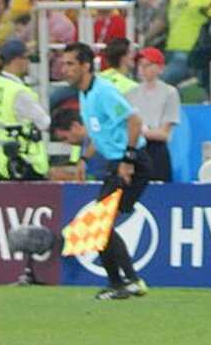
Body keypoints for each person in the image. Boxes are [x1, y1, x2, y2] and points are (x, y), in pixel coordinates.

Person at [60, 42, 150, 300]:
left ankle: (125, 282)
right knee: (102, 223)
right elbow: (99, 134)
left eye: (70, 64)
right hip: (117, 161)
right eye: (63, 64)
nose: (64, 69)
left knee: (100, 222)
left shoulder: (103, 92)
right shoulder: (85, 93)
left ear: (86, 66)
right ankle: (124, 282)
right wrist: (84, 160)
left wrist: (128, 160)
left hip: (132, 162)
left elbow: (135, 121)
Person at [0, 40, 50, 182]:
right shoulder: (17, 92)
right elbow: (45, 122)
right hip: (18, 168)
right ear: (17, 60)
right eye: (27, 58)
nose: (29, 62)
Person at [126, 48, 179, 183]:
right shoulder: (130, 93)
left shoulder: (169, 93)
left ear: (160, 68)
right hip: (136, 147)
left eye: (148, 65)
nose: (143, 69)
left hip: (156, 149)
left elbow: (164, 133)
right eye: (140, 65)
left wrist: (142, 131)